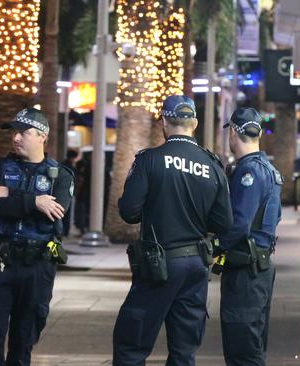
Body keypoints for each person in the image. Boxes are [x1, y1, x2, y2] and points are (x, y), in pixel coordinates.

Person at [113, 95, 233, 366]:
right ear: (195, 123)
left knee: (132, 342)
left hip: (159, 263)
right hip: (196, 265)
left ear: (165, 122)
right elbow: (224, 223)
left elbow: (129, 212)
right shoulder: (212, 165)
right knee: (183, 350)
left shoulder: (150, 160)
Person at [0, 107, 74, 365]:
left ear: (42, 136)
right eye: (13, 132)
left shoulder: (59, 175)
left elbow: (55, 211)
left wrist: (11, 196)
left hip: (37, 265)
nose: (16, 138)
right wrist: (34, 202)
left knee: (23, 341)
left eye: (24, 132)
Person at [217, 107, 283, 366]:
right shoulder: (269, 170)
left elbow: (239, 224)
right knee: (252, 342)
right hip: (260, 267)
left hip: (246, 269)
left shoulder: (249, 173)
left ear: (233, 132)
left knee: (242, 348)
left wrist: (213, 246)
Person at [61, 149, 80, 237]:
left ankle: (63, 231)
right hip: (69, 192)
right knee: (67, 213)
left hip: (63, 192)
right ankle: (65, 231)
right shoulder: (70, 167)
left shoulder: (62, 165)